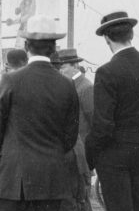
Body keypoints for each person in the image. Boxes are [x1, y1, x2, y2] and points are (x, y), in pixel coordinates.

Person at [85, 11, 139, 211]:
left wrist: (89, 157)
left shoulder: (107, 72)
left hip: (112, 153)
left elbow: (102, 126)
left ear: (107, 38)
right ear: (131, 34)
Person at [0, 15, 79, 211]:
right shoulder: (67, 84)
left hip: (13, 180)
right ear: (54, 48)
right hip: (51, 181)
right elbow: (70, 137)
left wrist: (4, 160)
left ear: (26, 46)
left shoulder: (10, 80)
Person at [52, 48, 94, 210]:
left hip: (82, 153)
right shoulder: (66, 86)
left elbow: (93, 122)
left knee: (83, 199)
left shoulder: (85, 87)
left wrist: (89, 155)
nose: (60, 71)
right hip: (69, 155)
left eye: (63, 67)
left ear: (75, 66)